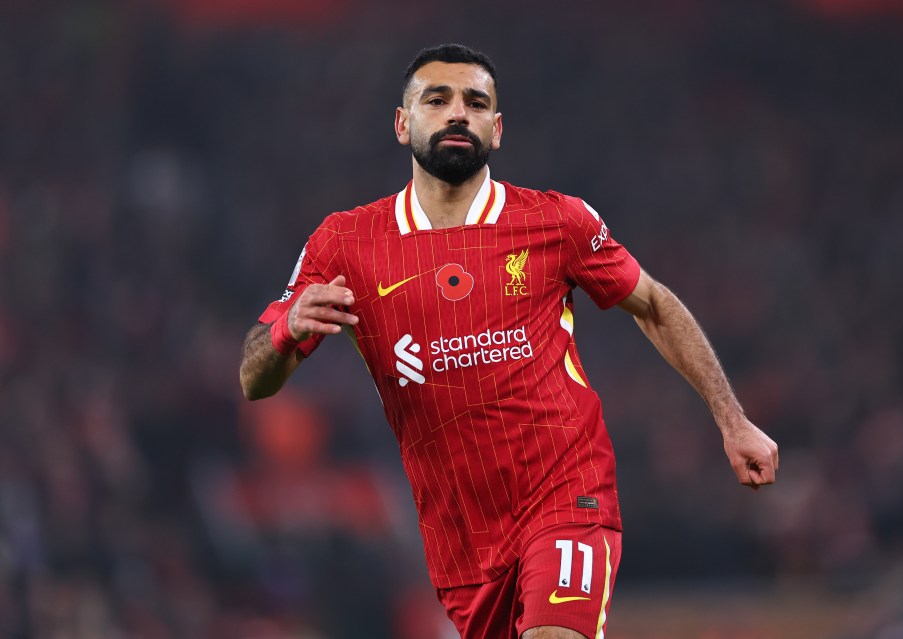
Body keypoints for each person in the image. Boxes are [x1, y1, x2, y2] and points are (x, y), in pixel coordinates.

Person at [239, 43, 778, 639]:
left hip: (567, 492)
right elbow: (253, 379)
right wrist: (287, 330)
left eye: (475, 103)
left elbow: (651, 303)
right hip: (463, 537)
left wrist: (732, 419)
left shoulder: (556, 222)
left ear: (496, 130)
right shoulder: (344, 243)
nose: (456, 114)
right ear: (401, 123)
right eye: (435, 99)